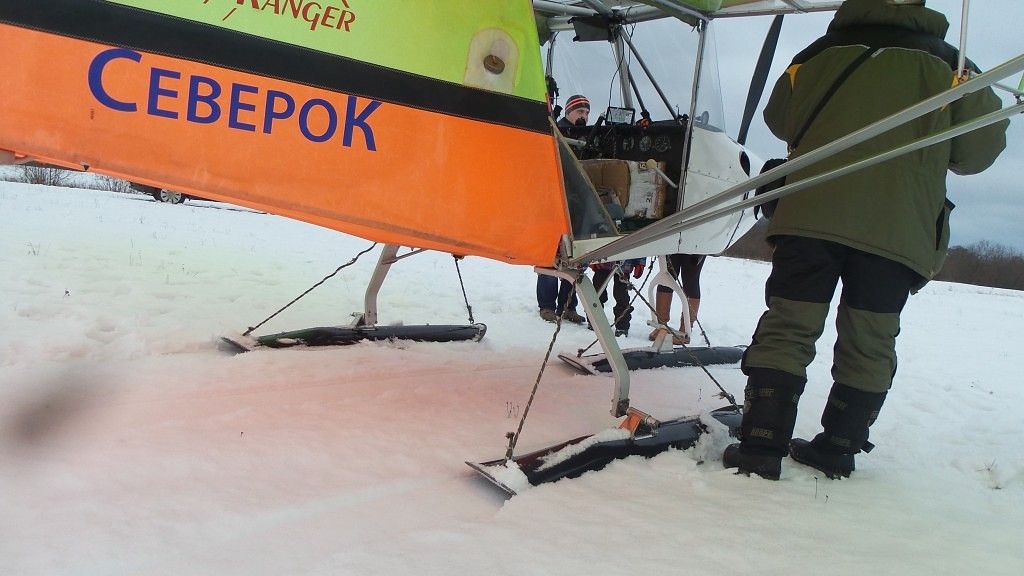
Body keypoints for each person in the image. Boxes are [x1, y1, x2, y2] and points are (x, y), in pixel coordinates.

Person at [723, 0, 1008, 480]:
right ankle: (838, 448)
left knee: (789, 325)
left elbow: (780, 119)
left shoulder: (816, 54)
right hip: (897, 229)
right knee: (870, 338)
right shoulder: (956, 67)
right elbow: (978, 152)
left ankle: (760, 447)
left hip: (810, 213)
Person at [537, 94, 593, 324]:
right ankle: (547, 306)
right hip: (555, 203)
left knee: (576, 257)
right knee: (551, 256)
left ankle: (568, 306)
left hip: (578, 204)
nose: (584, 116)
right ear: (569, 112)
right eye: (580, 111)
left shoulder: (588, 137)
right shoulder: (555, 131)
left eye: (587, 112)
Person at [649, 254, 705, 345]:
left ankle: (685, 329)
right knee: (666, 275)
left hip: (696, 247)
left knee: (690, 279)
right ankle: (661, 325)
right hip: (671, 245)